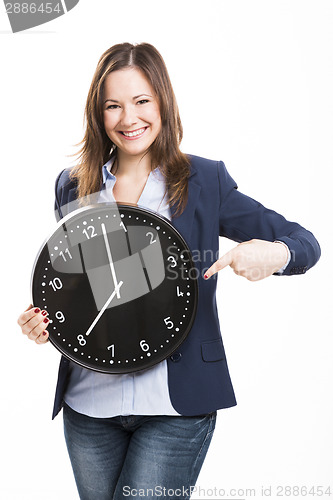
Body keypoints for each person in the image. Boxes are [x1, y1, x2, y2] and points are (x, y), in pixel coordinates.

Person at [17, 42, 321, 500]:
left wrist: (273, 255)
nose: (128, 118)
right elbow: (80, 288)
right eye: (112, 105)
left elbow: (304, 242)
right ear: (97, 114)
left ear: (163, 102)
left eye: (142, 101)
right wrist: (46, 322)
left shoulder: (203, 181)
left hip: (175, 407)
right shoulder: (72, 186)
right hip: (88, 406)